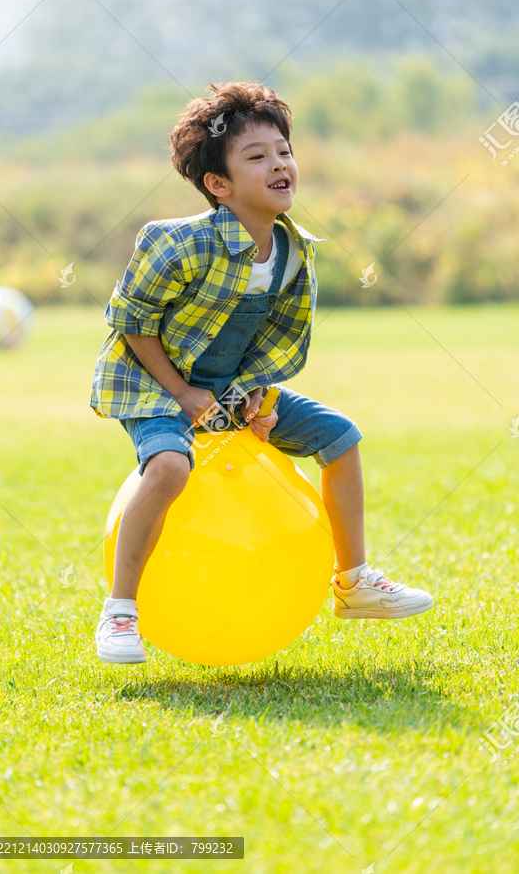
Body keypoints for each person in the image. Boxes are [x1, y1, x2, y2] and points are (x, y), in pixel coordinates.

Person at [90, 81, 434, 664]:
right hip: (154, 387)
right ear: (217, 185)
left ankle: (353, 582)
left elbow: (275, 344)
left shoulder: (294, 252)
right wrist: (182, 392)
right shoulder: (175, 243)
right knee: (171, 465)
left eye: (283, 151)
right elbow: (131, 322)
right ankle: (121, 611)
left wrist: (262, 399)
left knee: (340, 437)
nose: (279, 164)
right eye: (257, 156)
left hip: (231, 388)